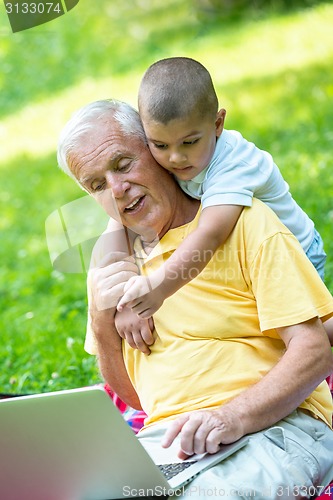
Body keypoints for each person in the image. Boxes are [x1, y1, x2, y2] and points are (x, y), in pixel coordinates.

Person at [57, 99, 333, 499]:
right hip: (170, 444)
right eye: (97, 184)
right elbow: (136, 397)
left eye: (123, 164)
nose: (117, 190)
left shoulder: (243, 220)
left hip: (275, 426)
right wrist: (101, 318)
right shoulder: (115, 266)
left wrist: (231, 417)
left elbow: (314, 351)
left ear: (156, 152)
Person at [116, 57, 327, 328]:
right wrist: (118, 292)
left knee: (298, 331)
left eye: (189, 142)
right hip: (244, 257)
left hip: (294, 253)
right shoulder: (175, 158)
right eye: (159, 144)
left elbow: (211, 234)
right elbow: (119, 219)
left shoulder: (233, 164)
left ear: (218, 124)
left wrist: (159, 286)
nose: (176, 157)